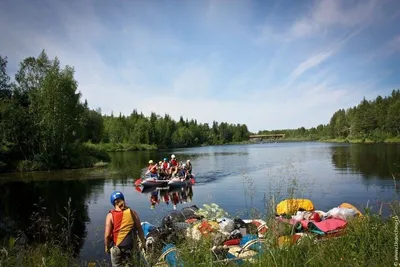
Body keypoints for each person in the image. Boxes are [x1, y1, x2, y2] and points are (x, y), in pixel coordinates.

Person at [104, 191, 146, 267]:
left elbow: (107, 235)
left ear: (113, 203)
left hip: (116, 249)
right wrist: (143, 242)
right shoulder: (132, 212)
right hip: (131, 247)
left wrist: (107, 247)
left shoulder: (110, 215)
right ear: (123, 199)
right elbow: (140, 229)